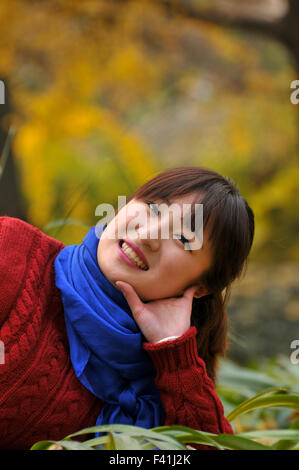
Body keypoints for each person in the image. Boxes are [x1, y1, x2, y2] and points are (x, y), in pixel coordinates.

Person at [0, 166, 254, 450]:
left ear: (202, 287)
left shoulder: (170, 375)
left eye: (184, 239)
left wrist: (174, 352)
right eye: (154, 208)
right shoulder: (13, 252)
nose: (148, 235)